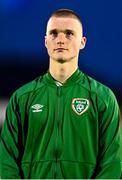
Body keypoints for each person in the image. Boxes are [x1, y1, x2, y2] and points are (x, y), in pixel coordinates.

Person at [0, 8, 121, 179]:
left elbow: (112, 162)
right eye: (54, 33)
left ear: (82, 42)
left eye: (69, 33)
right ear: (46, 41)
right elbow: (6, 161)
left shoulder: (102, 97)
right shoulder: (22, 98)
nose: (60, 40)